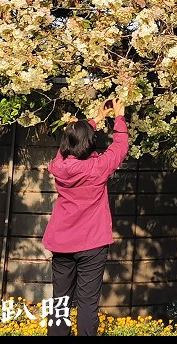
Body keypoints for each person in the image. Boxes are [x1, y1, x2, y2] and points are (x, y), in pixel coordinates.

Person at [42, 99, 128, 336]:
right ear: (90, 143)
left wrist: (95, 120)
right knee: (87, 303)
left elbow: (68, 145)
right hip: (92, 243)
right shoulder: (97, 168)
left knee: (61, 300)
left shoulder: (59, 166)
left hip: (62, 243)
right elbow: (119, 148)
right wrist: (118, 119)